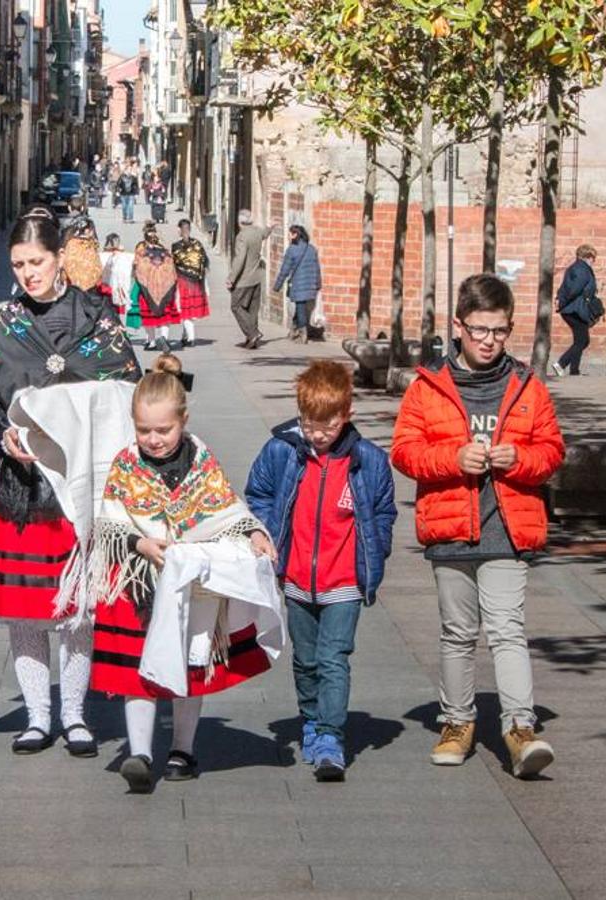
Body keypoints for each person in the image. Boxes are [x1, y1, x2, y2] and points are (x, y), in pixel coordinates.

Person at [0, 209, 141, 759]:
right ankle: (37, 716)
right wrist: (1, 433)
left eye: (36, 262)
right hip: (19, 484)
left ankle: (76, 715)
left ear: (59, 258)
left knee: (77, 604)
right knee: (26, 606)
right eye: (18, 264)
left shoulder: (97, 317)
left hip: (79, 484)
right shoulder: (3, 323)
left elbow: (127, 386)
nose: (28, 273)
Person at [390, 274, 565, 779]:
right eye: (480, 330)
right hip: (450, 527)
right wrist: (454, 457)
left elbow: (552, 451)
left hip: (508, 528)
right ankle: (457, 722)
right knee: (458, 633)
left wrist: (520, 459)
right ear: (458, 327)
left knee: (508, 630)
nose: (490, 340)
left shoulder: (527, 386)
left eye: (500, 330)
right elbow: (404, 450)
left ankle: (519, 729)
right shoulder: (428, 388)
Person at [87, 354, 279, 793]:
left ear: (183, 420)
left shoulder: (202, 460)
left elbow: (225, 508)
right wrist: (138, 542)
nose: (152, 440)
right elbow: (110, 520)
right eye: (143, 430)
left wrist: (252, 533)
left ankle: (183, 748)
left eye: (163, 430)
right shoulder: (125, 463)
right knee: (139, 668)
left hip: (192, 582)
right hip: (139, 581)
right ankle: (138, 753)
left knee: (192, 664)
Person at [244, 361, 396, 782]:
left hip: (344, 580)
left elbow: (382, 512)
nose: (317, 434)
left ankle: (330, 736)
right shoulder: (281, 451)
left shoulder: (367, 460)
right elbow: (257, 493)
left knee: (334, 658)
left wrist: (375, 553)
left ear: (345, 416)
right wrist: (263, 533)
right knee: (306, 659)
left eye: (327, 426)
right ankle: (311, 720)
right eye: (310, 424)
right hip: (295, 576)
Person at [227, 210, 273, 350]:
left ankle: (253, 333)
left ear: (239, 221)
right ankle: (251, 339)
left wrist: (231, 278)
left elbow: (239, 259)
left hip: (244, 279)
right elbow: (265, 234)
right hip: (256, 277)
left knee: (236, 306)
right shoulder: (256, 232)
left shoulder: (242, 236)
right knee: (252, 309)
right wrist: (270, 227)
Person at [553, 245, 600, 377]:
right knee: (582, 340)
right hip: (575, 310)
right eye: (593, 258)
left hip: (572, 309)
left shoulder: (575, 268)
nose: (593, 261)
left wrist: (559, 299)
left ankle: (574, 370)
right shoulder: (582, 270)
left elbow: (564, 287)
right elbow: (574, 290)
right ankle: (561, 364)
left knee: (580, 340)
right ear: (587, 257)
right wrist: (562, 302)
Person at [272, 225, 323, 345]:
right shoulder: (311, 249)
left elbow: (284, 270)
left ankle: (303, 334)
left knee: (300, 307)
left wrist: (277, 286)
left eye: (290, 234)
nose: (289, 237)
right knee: (301, 307)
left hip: (299, 284)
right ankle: (293, 330)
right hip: (310, 283)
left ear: (295, 235)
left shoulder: (292, 250)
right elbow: (317, 268)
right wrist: (318, 283)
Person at [133, 223, 180, 351]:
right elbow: (171, 267)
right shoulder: (164, 250)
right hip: (164, 288)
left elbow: (138, 266)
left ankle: (152, 341)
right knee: (165, 315)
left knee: (148, 316)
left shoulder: (141, 249)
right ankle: (164, 338)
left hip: (147, 289)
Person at [171, 219, 210, 349]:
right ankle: (185, 335)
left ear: (179, 230)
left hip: (183, 281)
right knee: (188, 311)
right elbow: (205, 262)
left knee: (185, 310)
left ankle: (191, 337)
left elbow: (173, 264)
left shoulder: (176, 246)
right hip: (197, 282)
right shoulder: (197, 244)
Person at [61, 206, 104, 293]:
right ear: (86, 230)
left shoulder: (69, 245)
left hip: (71, 293)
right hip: (88, 294)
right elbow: (98, 272)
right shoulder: (88, 247)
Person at [101, 233, 136, 323]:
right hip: (113, 287)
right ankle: (119, 327)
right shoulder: (125, 256)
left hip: (110, 287)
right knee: (118, 308)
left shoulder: (102, 256)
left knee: (113, 309)